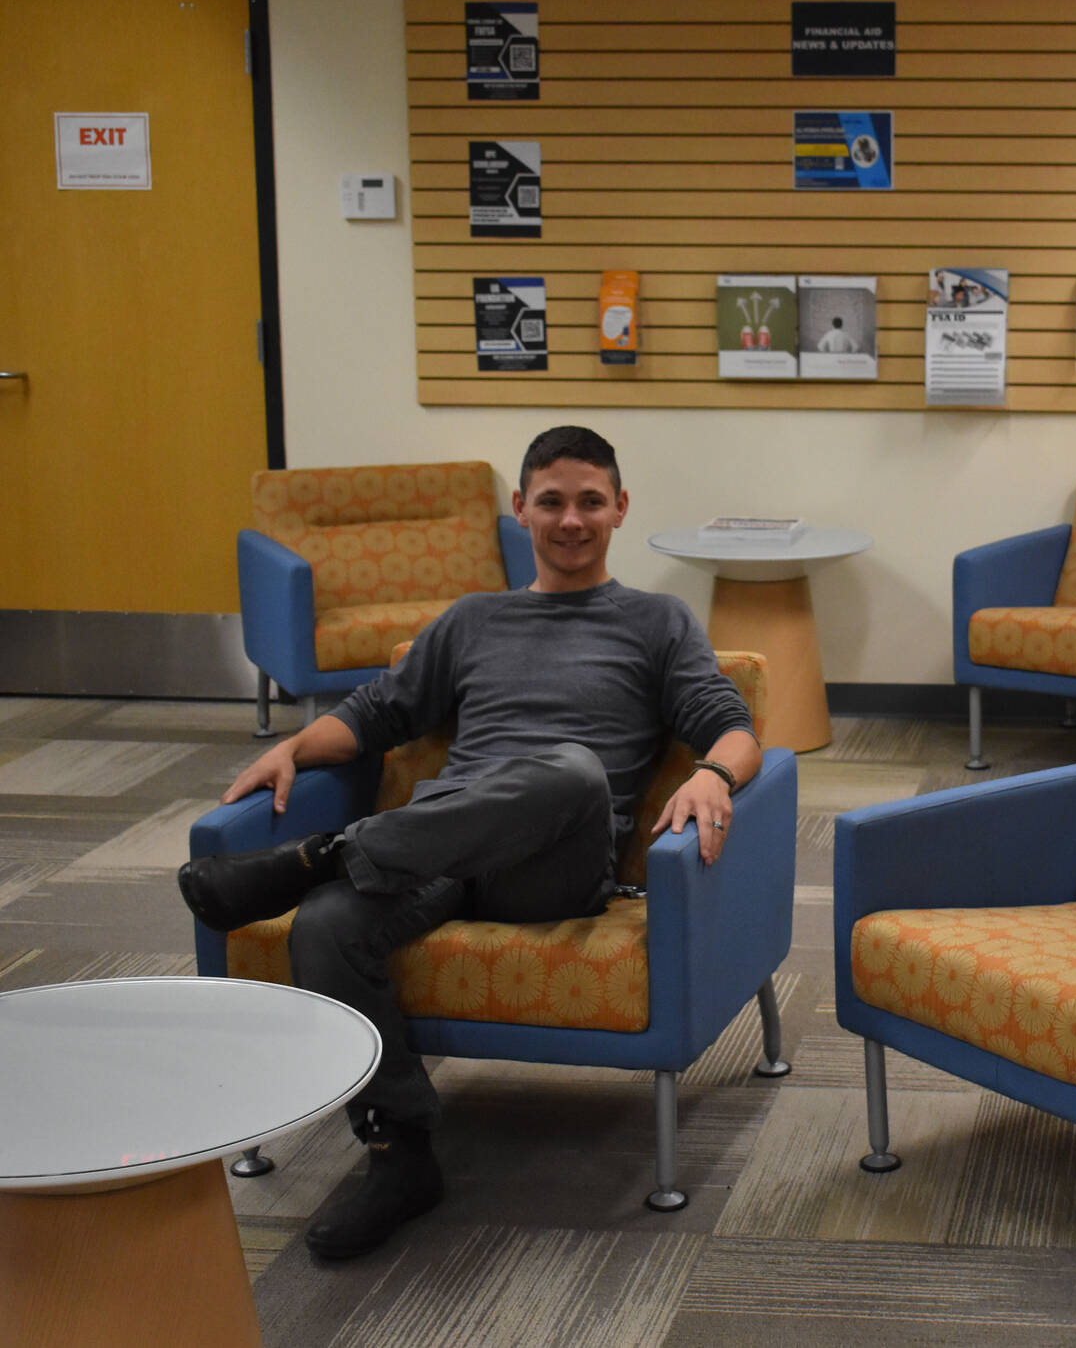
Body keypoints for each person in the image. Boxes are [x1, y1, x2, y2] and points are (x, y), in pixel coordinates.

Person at [176, 426, 761, 1259]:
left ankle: (322, 856)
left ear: (619, 509)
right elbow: (378, 715)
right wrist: (295, 748)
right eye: (551, 501)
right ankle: (399, 1154)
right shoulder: (474, 618)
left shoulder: (656, 619)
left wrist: (715, 775)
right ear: (520, 507)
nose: (570, 519)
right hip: (437, 848)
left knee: (569, 770)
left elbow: (732, 728)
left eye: (590, 501)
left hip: (553, 865)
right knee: (325, 927)